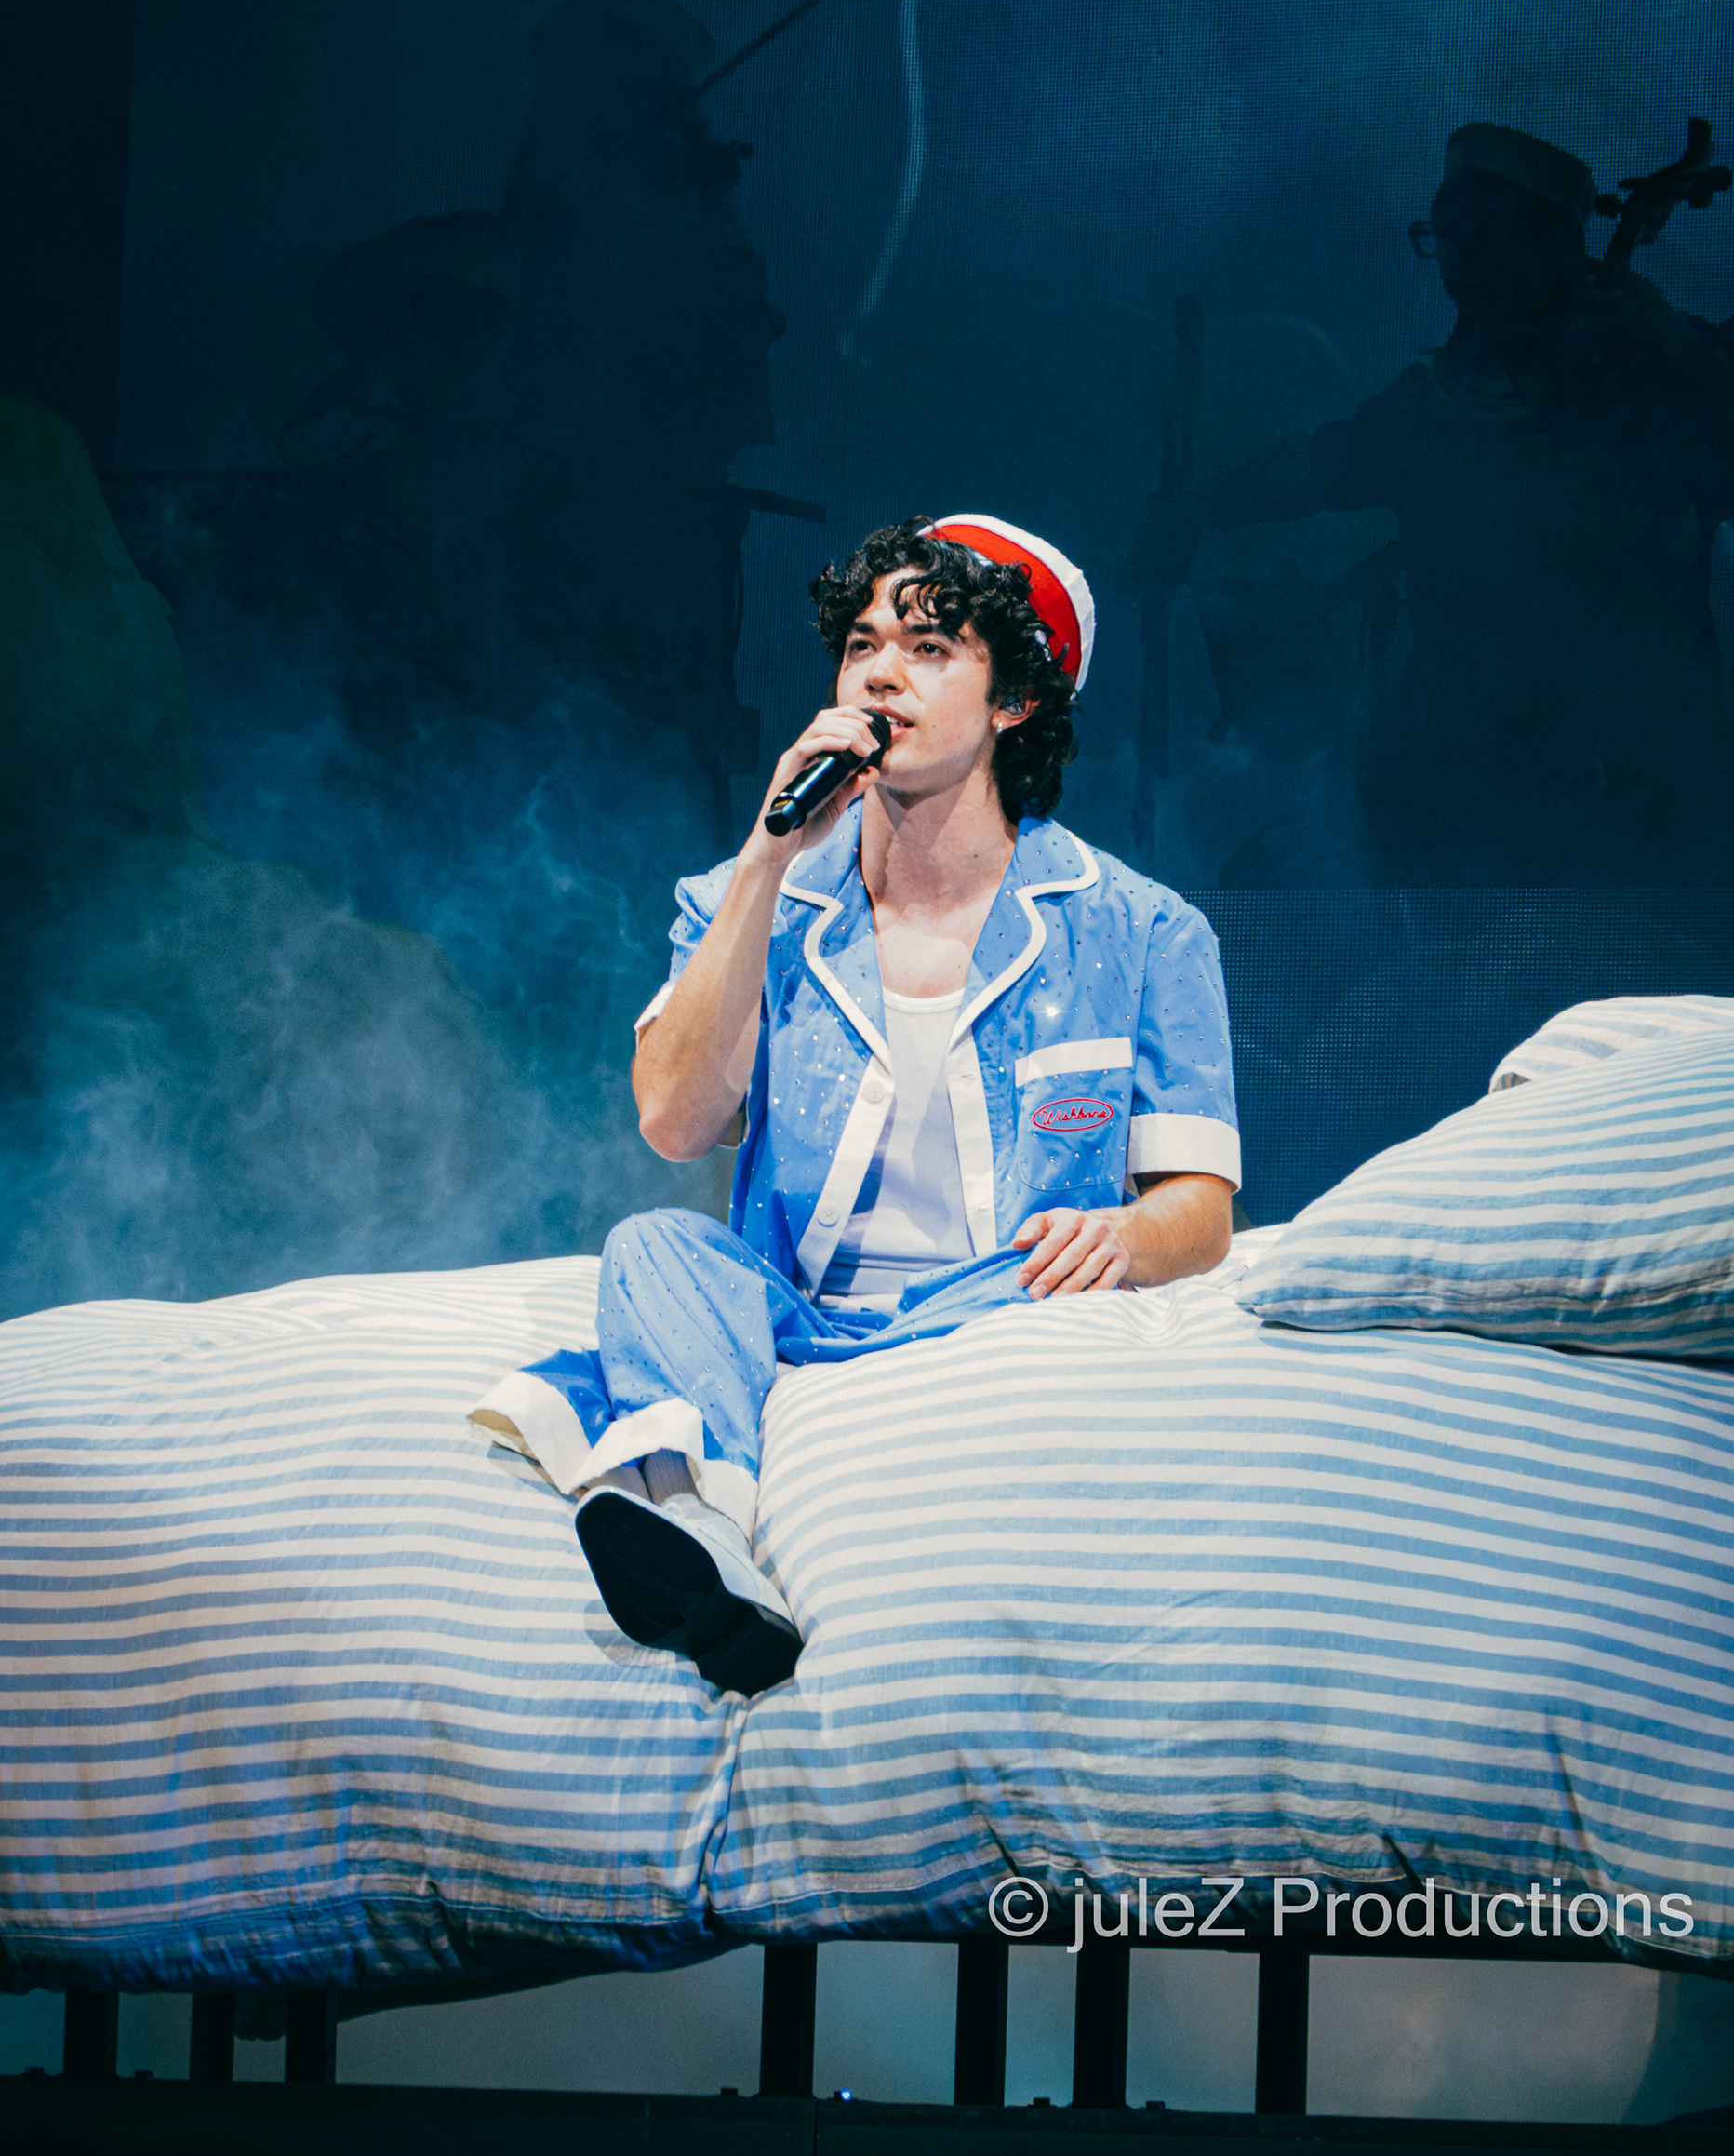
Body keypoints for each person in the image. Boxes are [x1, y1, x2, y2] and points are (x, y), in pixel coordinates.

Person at [474, 513, 1240, 1695]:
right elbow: (673, 1123)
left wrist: (1129, 1236)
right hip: (806, 1310)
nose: (881, 673)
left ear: (1015, 701)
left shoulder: (1142, 929)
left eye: (930, 648)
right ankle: (704, 1541)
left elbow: (1203, 1210)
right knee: (656, 1246)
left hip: (1000, 1301)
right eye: (862, 645)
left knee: (1034, 1292)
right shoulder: (747, 896)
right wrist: (766, 860)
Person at [1139, 122, 1734, 880]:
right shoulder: (1440, 402)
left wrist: (1677, 351)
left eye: (1486, 238)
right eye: (1447, 239)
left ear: (1549, 243)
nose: (1459, 264)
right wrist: (1196, 509)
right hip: (1463, 776)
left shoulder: (1663, 369)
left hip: (1646, 775)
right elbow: (1322, 465)